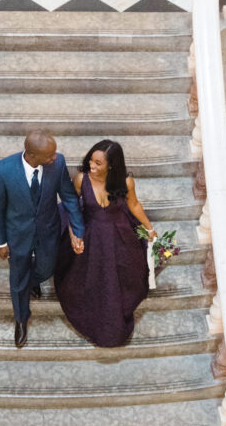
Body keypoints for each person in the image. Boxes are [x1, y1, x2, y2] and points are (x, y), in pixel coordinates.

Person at [54, 139, 155, 347]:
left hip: (119, 234)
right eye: (91, 160)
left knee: (122, 273)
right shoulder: (82, 179)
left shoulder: (126, 182)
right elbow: (73, 208)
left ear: (111, 165)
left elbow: (134, 205)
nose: (92, 165)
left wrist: (150, 228)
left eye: (98, 163)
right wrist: (74, 234)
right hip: (90, 234)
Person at [0, 130, 85, 348]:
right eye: (49, 155)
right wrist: (0, 242)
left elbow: (69, 197)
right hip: (17, 234)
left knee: (47, 268)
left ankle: (32, 282)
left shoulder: (57, 164)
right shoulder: (2, 171)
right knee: (18, 278)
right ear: (31, 155)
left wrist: (77, 230)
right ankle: (21, 318)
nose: (55, 157)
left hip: (48, 230)